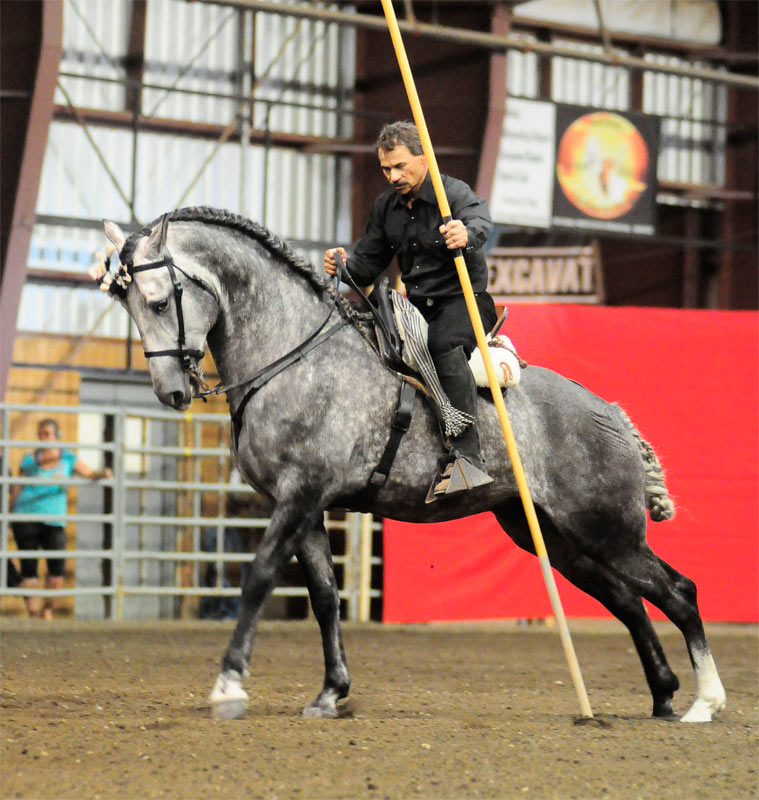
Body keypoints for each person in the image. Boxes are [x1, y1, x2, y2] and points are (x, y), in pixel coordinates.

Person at [324, 120, 498, 499]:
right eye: (387, 169)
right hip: (415, 308)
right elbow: (366, 266)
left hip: (464, 302)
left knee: (442, 344)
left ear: (423, 158)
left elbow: (482, 220)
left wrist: (466, 235)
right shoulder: (386, 207)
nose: (393, 176)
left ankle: (470, 459)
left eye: (401, 166)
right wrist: (342, 267)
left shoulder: (453, 193)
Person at [9, 418, 112, 619]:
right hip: (26, 516)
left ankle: (47, 609)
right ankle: (33, 613)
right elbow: (16, 487)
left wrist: (102, 473)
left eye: (48, 433)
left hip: (54, 520)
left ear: (57, 436)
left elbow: (89, 473)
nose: (44, 438)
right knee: (29, 567)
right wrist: (10, 510)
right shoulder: (29, 460)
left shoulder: (67, 459)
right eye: (41, 434)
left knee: (56, 570)